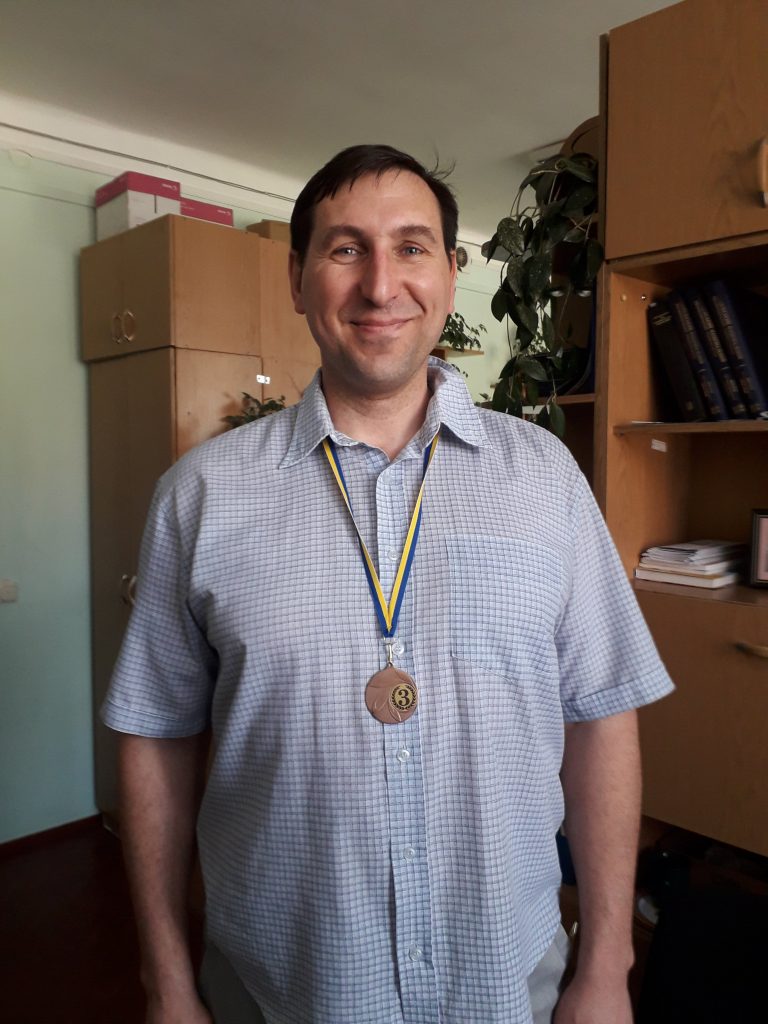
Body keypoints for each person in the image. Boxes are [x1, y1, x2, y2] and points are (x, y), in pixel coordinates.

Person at [103, 144, 674, 1024]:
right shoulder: (201, 496)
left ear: (448, 274)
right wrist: (165, 982)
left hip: (507, 977)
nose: (380, 285)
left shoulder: (546, 478)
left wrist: (606, 962)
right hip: (281, 985)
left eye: (411, 247)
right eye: (345, 249)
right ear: (298, 279)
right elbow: (155, 736)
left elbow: (600, 714)